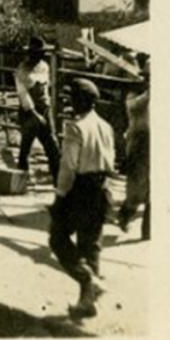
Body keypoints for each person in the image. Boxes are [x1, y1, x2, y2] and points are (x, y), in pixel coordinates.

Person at [50, 78, 116, 320]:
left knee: (58, 238)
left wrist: (60, 196)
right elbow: (111, 161)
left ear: (81, 101)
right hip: (102, 188)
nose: (69, 103)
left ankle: (87, 279)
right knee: (91, 245)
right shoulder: (106, 126)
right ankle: (87, 301)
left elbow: (68, 167)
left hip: (81, 189)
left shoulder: (75, 127)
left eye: (72, 99)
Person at [15, 35, 60, 181]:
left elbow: (46, 90)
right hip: (29, 111)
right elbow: (23, 95)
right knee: (26, 145)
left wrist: (47, 109)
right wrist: (35, 114)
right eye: (35, 53)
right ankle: (21, 179)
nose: (39, 55)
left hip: (44, 109)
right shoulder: (22, 70)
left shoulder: (44, 66)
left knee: (52, 145)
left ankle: (58, 180)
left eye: (41, 53)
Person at [117, 54, 150, 239]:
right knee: (137, 188)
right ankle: (125, 214)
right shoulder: (136, 94)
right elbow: (132, 109)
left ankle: (148, 231)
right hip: (140, 143)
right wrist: (149, 95)